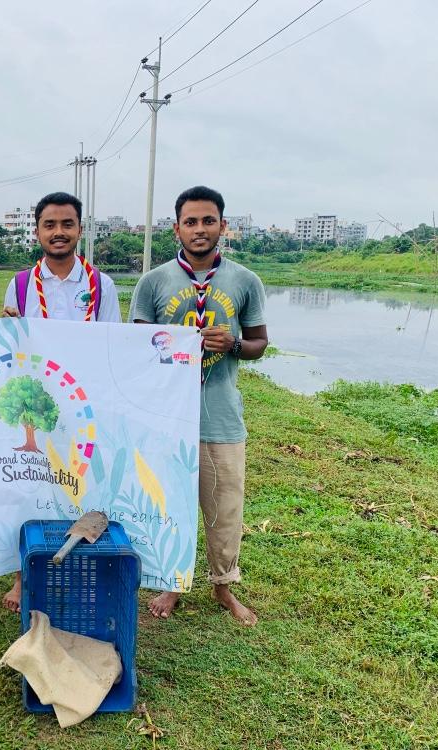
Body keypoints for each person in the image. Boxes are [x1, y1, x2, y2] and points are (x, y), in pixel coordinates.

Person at [130, 185, 267, 626]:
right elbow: (137, 348)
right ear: (177, 228)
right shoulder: (155, 282)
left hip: (221, 414)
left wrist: (234, 344)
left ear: (223, 226)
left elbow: (260, 343)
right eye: (191, 221)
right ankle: (172, 583)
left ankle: (223, 586)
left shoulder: (245, 281)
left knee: (224, 504)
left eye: (209, 220)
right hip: (166, 416)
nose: (200, 229)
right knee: (169, 503)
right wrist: (169, 348)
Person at [0, 190, 121, 613]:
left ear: (79, 230)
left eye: (66, 224)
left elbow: (112, 346)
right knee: (30, 485)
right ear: (37, 231)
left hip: (85, 404)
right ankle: (22, 576)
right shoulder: (20, 285)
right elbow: (12, 349)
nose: (58, 232)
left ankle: (76, 562)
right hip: (38, 404)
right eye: (49, 225)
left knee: (79, 481)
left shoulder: (101, 285)